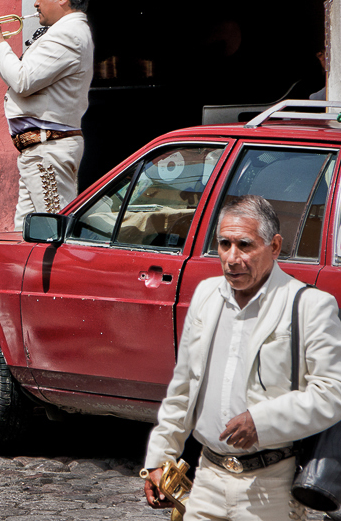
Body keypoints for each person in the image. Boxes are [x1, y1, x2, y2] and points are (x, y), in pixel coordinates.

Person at [143, 195, 341, 521]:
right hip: (208, 478)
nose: (232, 258)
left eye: (245, 245)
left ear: (274, 247)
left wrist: (262, 421)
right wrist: (160, 457)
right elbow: (184, 384)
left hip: (271, 485)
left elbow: (332, 394)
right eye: (224, 244)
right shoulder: (207, 295)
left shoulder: (309, 306)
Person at [0, 0, 93, 231]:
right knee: (25, 234)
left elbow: (23, 80)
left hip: (48, 149)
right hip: (40, 149)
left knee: (53, 232)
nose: (36, 3)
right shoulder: (65, 33)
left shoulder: (67, 34)